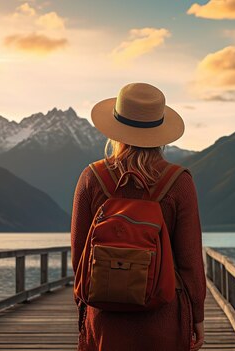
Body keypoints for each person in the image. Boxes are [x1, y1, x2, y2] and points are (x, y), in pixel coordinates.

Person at [70, 82, 206, 351]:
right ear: (160, 132)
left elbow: (79, 255)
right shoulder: (179, 182)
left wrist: (83, 310)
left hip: (105, 314)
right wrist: (197, 317)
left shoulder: (91, 178)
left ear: (115, 130)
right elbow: (190, 261)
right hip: (164, 315)